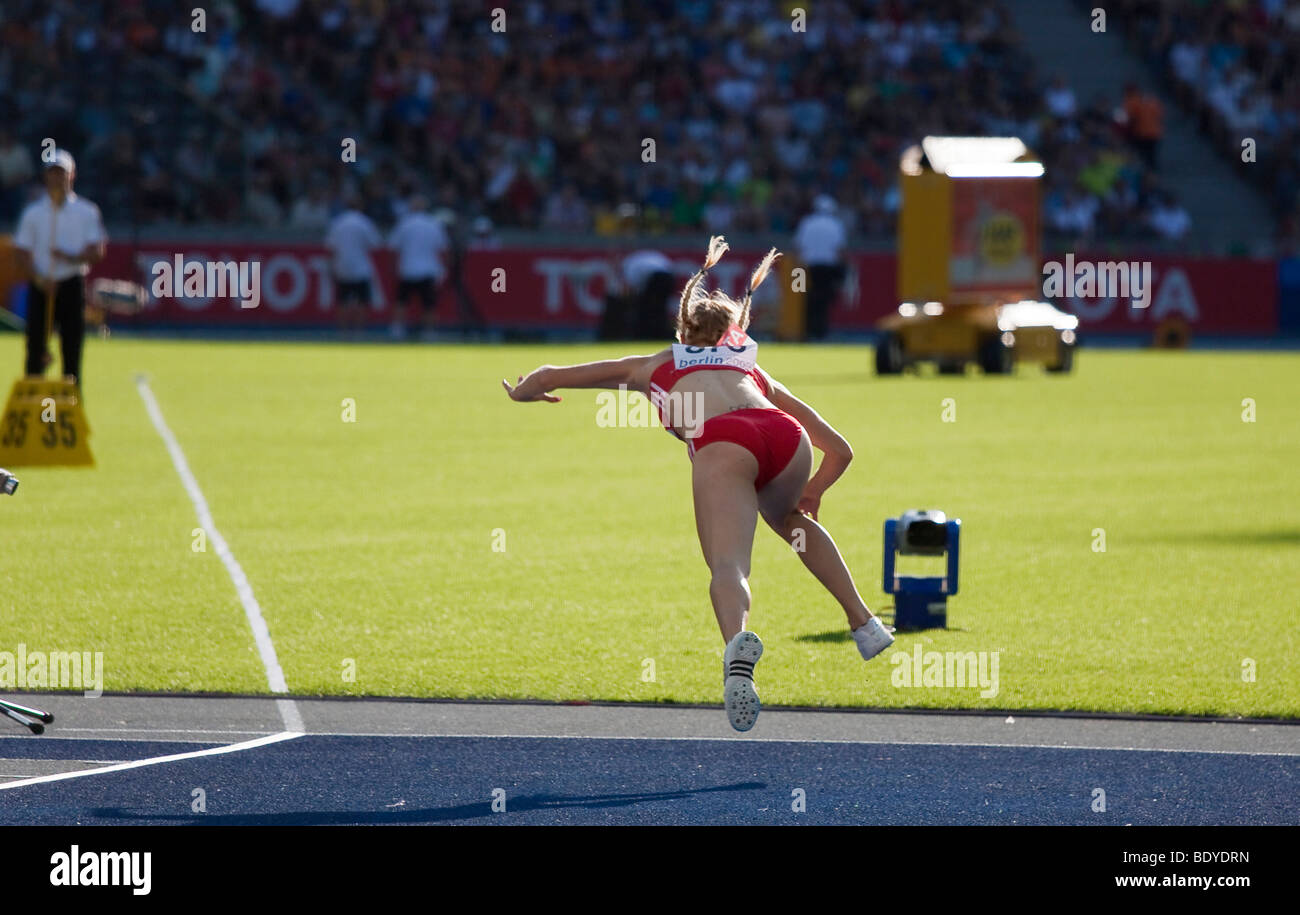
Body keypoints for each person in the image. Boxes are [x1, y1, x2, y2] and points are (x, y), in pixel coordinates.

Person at [502, 237, 894, 732]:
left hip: (723, 442)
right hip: (784, 436)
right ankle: (864, 623)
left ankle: (737, 653)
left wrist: (524, 392)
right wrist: (812, 491)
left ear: (684, 328)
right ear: (735, 332)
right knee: (788, 519)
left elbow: (551, 374)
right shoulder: (752, 369)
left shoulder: (652, 365)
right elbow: (840, 449)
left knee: (727, 563)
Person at [13, 150, 106, 385]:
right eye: (52, 173)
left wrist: (70, 257)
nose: (56, 178)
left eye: (61, 173)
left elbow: (96, 251)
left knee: (72, 350)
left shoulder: (86, 211)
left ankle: (71, 407)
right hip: (42, 285)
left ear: (72, 175)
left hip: (72, 284)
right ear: (46, 176)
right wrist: (40, 279)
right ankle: (35, 407)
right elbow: (21, 252)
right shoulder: (34, 213)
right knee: (36, 349)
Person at [388, 194, 449, 339]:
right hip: (427, 270)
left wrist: (393, 268)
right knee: (429, 304)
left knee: (401, 302)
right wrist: (444, 268)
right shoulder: (433, 224)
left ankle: (398, 330)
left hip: (407, 269)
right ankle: (429, 332)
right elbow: (443, 249)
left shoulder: (404, 223)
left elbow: (393, 247)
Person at [324, 193, 382, 336]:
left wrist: (332, 267)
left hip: (342, 267)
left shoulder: (338, 222)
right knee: (362, 302)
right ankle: (359, 331)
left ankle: (343, 331)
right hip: (361, 268)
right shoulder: (365, 222)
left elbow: (331, 247)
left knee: (342, 302)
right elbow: (375, 244)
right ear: (360, 206)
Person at [793, 195, 847, 340]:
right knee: (824, 300)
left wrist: (797, 271)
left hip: (807, 268)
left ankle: (807, 330)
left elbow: (798, 247)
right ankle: (821, 331)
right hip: (828, 268)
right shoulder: (836, 224)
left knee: (806, 299)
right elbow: (840, 250)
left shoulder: (807, 223)